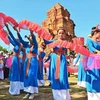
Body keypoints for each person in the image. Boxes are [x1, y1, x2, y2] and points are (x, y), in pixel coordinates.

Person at [44, 27, 70, 100]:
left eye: (62, 33)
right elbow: (46, 42)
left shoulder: (66, 42)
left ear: (64, 34)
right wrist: (44, 34)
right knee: (55, 75)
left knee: (62, 75)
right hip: (55, 59)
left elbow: (71, 46)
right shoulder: (54, 41)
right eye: (59, 33)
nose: (61, 34)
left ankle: (64, 96)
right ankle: (57, 97)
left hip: (62, 59)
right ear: (57, 34)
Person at [17, 30, 38, 99]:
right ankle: (28, 92)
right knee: (26, 76)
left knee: (32, 76)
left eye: (31, 38)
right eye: (30, 38)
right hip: (26, 62)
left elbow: (34, 40)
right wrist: (17, 32)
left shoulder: (35, 46)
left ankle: (32, 93)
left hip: (33, 62)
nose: (31, 39)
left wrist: (32, 34)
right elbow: (21, 40)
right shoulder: (27, 46)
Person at [5, 24, 22, 95]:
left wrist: (8, 28)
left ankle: (15, 90)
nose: (16, 39)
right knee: (12, 72)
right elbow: (10, 39)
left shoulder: (18, 44)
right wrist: (7, 35)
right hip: (14, 59)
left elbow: (12, 37)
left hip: (16, 59)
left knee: (15, 72)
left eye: (17, 38)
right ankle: (12, 89)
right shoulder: (15, 45)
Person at [86, 25, 100, 100]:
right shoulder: (89, 40)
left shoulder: (99, 42)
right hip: (92, 61)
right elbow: (91, 48)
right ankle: (92, 94)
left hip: (99, 61)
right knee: (93, 76)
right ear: (95, 33)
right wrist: (97, 51)